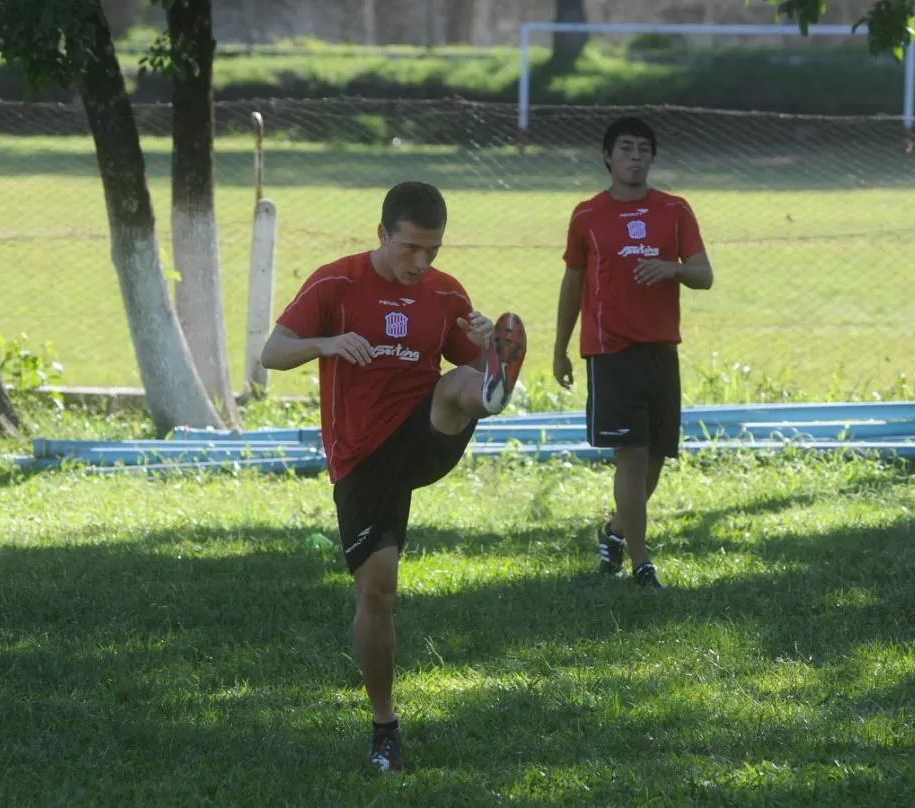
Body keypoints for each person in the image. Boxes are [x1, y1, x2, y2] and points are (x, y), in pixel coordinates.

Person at [261, 181, 527, 773]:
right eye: (410, 248)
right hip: (362, 456)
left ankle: (494, 391)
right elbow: (272, 353)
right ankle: (385, 728)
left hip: (425, 431)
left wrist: (484, 346)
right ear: (382, 234)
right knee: (376, 592)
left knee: (462, 386)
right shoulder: (337, 282)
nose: (421, 262)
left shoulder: (446, 292)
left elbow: (459, 350)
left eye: (432, 250)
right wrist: (328, 343)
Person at [552, 116, 713, 589]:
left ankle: (616, 532)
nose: (636, 157)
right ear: (607, 157)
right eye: (626, 149)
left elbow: (704, 274)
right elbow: (573, 280)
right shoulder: (587, 215)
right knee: (633, 456)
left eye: (644, 149)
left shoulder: (675, 210)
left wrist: (671, 268)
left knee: (657, 458)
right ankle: (642, 566)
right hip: (609, 351)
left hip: (661, 350)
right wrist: (560, 349)